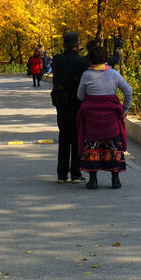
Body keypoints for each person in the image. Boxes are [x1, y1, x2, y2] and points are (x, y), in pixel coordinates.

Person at [76, 44, 133, 189]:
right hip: (111, 120)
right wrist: (125, 109)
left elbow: (80, 96)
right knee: (113, 148)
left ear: (91, 59)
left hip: (92, 119)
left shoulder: (86, 75)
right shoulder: (114, 74)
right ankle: (115, 180)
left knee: (92, 148)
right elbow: (128, 92)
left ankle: (93, 180)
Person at [50, 31, 89, 183]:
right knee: (77, 138)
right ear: (78, 44)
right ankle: (76, 173)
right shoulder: (82, 62)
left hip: (62, 103)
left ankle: (61, 174)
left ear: (64, 44)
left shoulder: (57, 59)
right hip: (78, 104)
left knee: (64, 137)